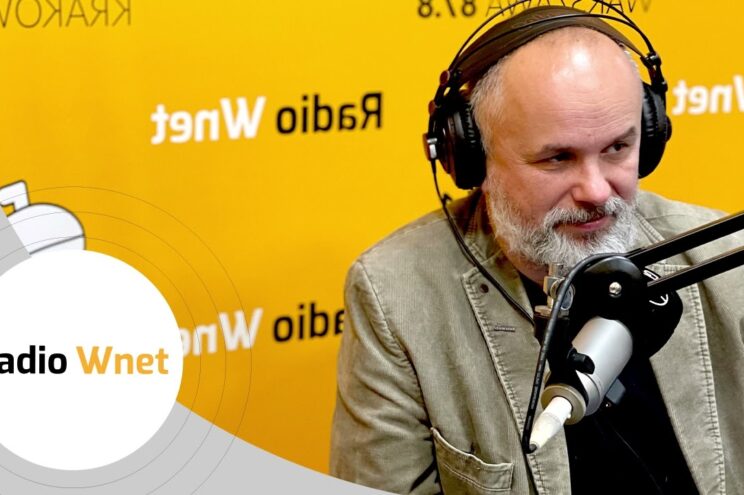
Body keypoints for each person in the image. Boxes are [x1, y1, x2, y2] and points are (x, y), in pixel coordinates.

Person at [330, 5, 744, 494]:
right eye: (557, 158)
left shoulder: (724, 257)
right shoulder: (396, 297)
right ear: (475, 159)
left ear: (650, 136)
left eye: (617, 148)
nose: (596, 190)